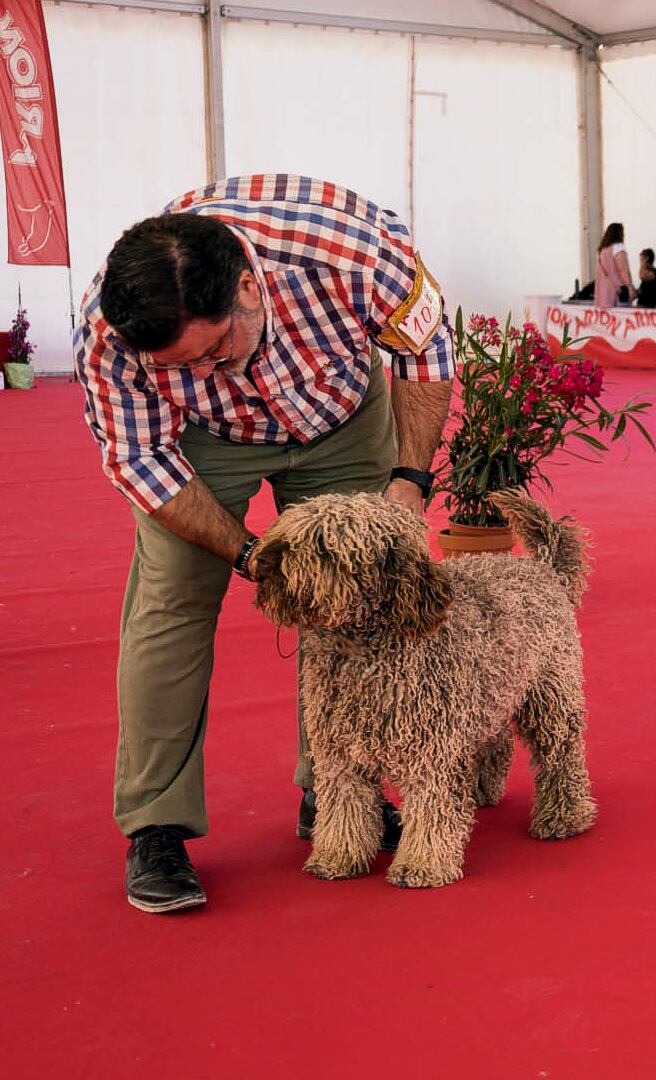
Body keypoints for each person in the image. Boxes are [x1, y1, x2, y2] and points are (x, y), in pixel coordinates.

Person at [77, 174, 454, 914]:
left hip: (340, 416)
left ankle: (336, 794)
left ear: (250, 287)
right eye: (176, 368)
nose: (202, 372)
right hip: (203, 443)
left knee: (358, 604)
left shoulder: (351, 251)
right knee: (170, 607)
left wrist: (409, 479)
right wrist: (252, 556)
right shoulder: (107, 330)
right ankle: (156, 825)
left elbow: (425, 349)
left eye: (215, 351)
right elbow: (141, 459)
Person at [593, 222, 633, 308]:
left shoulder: (601, 251)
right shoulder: (618, 247)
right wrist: (629, 287)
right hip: (617, 293)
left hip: (603, 295)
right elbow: (622, 269)